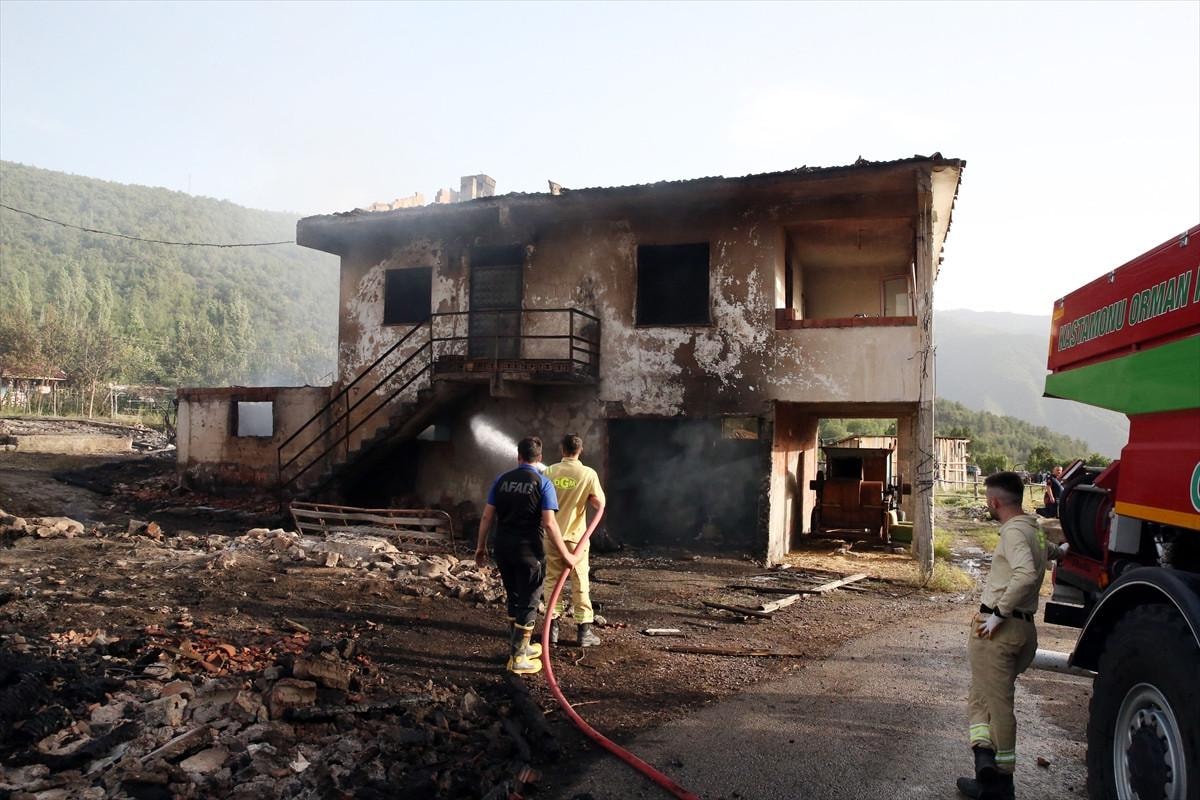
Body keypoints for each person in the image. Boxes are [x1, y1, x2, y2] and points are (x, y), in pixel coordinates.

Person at [958, 471, 1065, 800]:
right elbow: (1051, 553)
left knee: (997, 703)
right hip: (1023, 629)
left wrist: (998, 615)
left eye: (988, 500)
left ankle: (1002, 783)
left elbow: (1026, 573)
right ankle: (985, 767)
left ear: (994, 502)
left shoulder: (1014, 533)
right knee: (982, 697)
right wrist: (1065, 549)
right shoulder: (1034, 529)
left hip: (1000, 629)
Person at [475, 436, 577, 675]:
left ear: (518, 456)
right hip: (529, 552)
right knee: (529, 601)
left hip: (503, 549)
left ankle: (519, 646)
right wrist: (566, 554)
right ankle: (519, 658)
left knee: (513, 597)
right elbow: (549, 524)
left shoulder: (501, 480)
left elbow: (487, 516)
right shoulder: (543, 483)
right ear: (539, 458)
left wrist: (480, 546)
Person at [544, 433, 607, 647]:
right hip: (576, 540)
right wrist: (586, 496)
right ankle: (584, 632)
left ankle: (552, 630)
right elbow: (599, 503)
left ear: (562, 449)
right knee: (580, 582)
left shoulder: (549, 471)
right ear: (580, 450)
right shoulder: (588, 474)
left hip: (552, 537)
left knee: (552, 581)